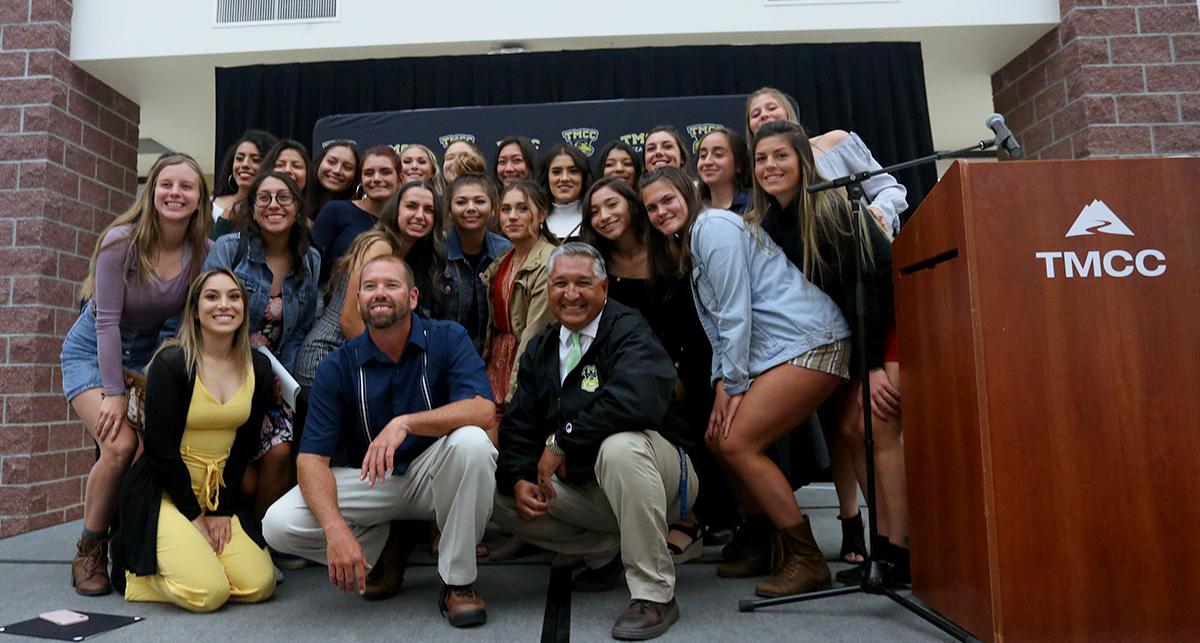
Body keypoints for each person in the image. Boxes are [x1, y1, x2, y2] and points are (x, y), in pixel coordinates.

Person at [641, 166, 851, 597]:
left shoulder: (713, 227)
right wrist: (724, 382)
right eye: (651, 208)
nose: (661, 212)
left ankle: (806, 558)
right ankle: (762, 539)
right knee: (718, 438)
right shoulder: (693, 243)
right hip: (781, 351)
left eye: (668, 200)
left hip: (812, 342)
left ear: (688, 194)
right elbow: (720, 328)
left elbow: (736, 313)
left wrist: (730, 384)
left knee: (736, 441)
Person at [262, 255, 497, 628]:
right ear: (358, 301)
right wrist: (336, 531)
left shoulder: (447, 337)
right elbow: (311, 461)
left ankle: (458, 582)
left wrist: (405, 423)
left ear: (414, 296)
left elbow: (483, 411)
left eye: (391, 285)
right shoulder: (337, 365)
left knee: (473, 444)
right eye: (370, 287)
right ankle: (380, 546)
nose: (379, 294)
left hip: (435, 478)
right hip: (374, 482)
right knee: (278, 524)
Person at [493, 243, 697, 641]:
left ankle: (655, 594)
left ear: (604, 287)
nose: (571, 294)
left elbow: (635, 401)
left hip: (664, 476)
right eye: (561, 284)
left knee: (619, 447)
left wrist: (561, 442)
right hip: (592, 489)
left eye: (583, 283)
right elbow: (518, 424)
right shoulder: (542, 346)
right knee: (496, 491)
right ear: (548, 289)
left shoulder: (628, 328)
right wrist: (519, 478)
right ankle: (607, 552)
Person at [749, 120, 904, 584]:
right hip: (849, 337)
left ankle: (905, 549)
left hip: (885, 326)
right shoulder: (772, 222)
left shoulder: (833, 207)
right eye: (761, 158)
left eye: (781, 156)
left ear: (803, 162)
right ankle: (885, 550)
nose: (770, 166)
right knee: (851, 429)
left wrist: (874, 367)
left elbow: (875, 281)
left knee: (875, 423)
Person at [60, 153, 213, 596]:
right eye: (167, 184)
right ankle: (89, 548)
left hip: (149, 356)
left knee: (149, 450)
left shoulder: (200, 251)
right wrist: (112, 392)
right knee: (121, 444)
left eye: (187, 186)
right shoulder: (120, 242)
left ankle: (128, 549)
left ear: (199, 199)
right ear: (152, 191)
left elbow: (180, 324)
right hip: (93, 351)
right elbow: (106, 322)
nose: (175, 193)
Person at [580, 176, 735, 563]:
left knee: (698, 425)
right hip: (630, 366)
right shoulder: (596, 262)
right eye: (595, 210)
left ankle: (696, 517)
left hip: (689, 358)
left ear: (633, 207)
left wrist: (677, 370)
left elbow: (699, 310)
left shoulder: (669, 247)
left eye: (612, 205)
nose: (604, 216)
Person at [114, 269, 276, 612]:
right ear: (195, 310)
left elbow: (245, 446)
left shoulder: (258, 367)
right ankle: (138, 576)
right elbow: (160, 450)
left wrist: (221, 511)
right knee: (209, 594)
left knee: (259, 585)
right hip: (167, 492)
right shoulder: (172, 363)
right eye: (212, 296)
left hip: (217, 494)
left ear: (245, 309)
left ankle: (196, 566)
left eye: (234, 297)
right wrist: (193, 514)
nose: (224, 305)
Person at [203, 172, 321, 521]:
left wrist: (285, 384)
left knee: (281, 454)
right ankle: (223, 529)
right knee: (246, 481)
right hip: (223, 374)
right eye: (264, 199)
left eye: (283, 198)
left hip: (272, 379)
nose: (273, 206)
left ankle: (262, 538)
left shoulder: (310, 260)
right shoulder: (230, 249)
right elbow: (203, 310)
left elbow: (301, 330)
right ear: (252, 209)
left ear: (298, 208)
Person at [745, 87, 907, 234]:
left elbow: (890, 189)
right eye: (755, 114)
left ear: (789, 112)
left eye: (772, 108)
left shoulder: (835, 142)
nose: (764, 115)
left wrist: (879, 210)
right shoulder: (762, 170)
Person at [480, 180, 557, 422]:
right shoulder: (503, 258)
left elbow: (534, 334)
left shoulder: (550, 262)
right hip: (496, 365)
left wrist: (515, 394)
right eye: (506, 209)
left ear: (542, 214)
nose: (512, 217)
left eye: (522, 209)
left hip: (526, 371)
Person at [311, 145, 400, 284]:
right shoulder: (336, 210)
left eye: (385, 172)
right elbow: (311, 266)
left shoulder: (403, 221)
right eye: (369, 173)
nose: (376, 178)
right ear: (361, 180)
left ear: (400, 179)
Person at [445, 174, 513, 354]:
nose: (471, 208)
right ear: (450, 211)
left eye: (479, 201)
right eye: (461, 202)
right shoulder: (436, 251)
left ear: (493, 210)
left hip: (491, 359)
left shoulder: (506, 252)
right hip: (444, 356)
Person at [212, 130, 278, 225]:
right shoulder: (211, 205)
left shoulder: (276, 209)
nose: (245, 164)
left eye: (255, 160)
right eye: (239, 158)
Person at [539, 144, 592, 241]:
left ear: (583, 177)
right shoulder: (534, 221)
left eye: (573, 171)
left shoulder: (596, 218)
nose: (564, 178)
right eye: (556, 172)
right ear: (547, 177)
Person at [697, 128, 752, 215]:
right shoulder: (692, 209)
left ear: (739, 164)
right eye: (703, 156)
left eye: (718, 155)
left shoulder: (754, 207)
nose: (707, 162)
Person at [309, 140, 360, 217]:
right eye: (331, 162)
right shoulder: (295, 206)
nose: (337, 171)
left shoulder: (357, 214)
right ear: (319, 163)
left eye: (347, 167)